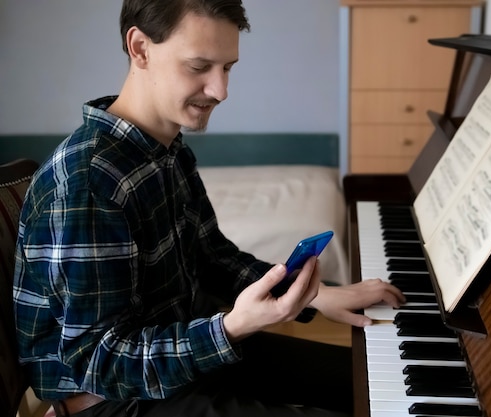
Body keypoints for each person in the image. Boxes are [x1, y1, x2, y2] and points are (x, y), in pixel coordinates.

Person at [13, 1, 405, 416]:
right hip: (117, 398)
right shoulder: (89, 182)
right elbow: (100, 362)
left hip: (186, 360)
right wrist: (233, 326)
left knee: (377, 386)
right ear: (140, 48)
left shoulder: (166, 151)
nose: (221, 90)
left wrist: (314, 295)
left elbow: (212, 256)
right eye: (199, 66)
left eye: (227, 67)